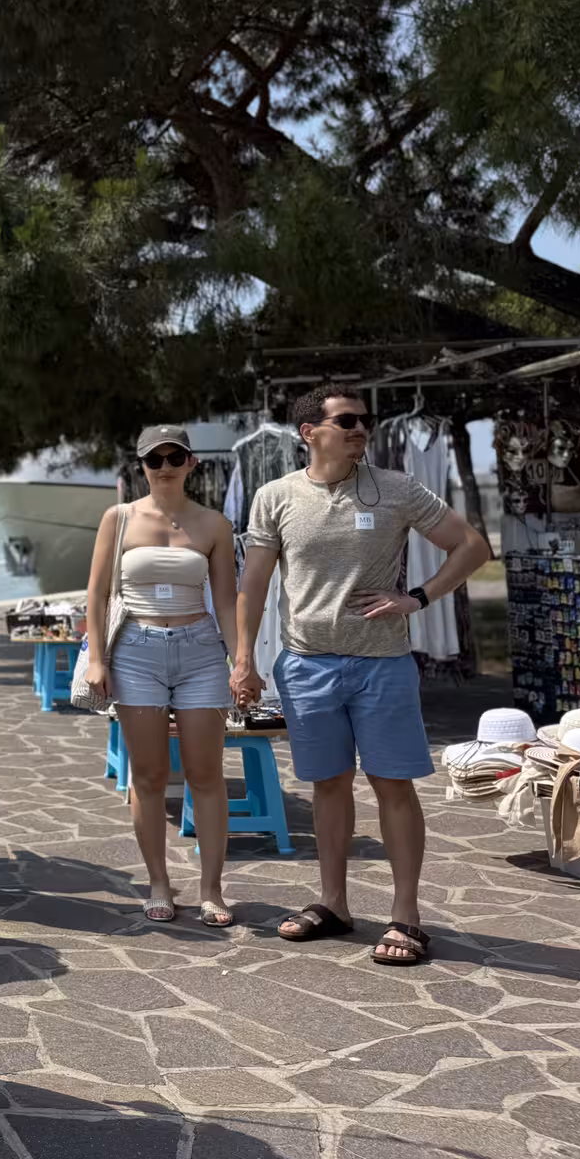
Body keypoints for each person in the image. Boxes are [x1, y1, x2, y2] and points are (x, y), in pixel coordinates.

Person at [233, 386, 490, 966]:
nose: (360, 430)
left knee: (392, 787)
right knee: (327, 785)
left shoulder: (396, 488)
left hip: (382, 667)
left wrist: (417, 598)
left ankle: (407, 917)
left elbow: (472, 547)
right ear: (309, 432)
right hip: (305, 664)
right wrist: (243, 659)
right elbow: (253, 585)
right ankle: (334, 905)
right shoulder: (275, 497)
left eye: (364, 422)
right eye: (346, 421)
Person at [82, 426, 241, 926]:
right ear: (142, 466)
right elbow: (97, 595)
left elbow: (227, 601)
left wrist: (241, 663)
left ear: (192, 462)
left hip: (199, 652)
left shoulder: (214, 524)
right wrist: (97, 659)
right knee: (149, 776)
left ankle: (212, 889)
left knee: (206, 774)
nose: (165, 466)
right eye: (155, 459)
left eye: (175, 457)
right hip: (135, 651)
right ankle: (158, 882)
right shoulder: (119, 518)